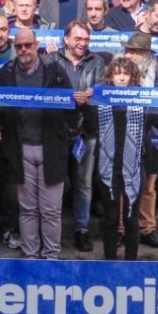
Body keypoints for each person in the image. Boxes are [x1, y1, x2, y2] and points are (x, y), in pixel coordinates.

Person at [0, 27, 75, 260]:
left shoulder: (55, 70)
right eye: (19, 46)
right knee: (27, 209)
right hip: (20, 149)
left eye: (28, 45)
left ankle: (51, 257)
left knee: (50, 210)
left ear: (36, 45)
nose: (24, 50)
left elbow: (70, 107)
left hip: (50, 148)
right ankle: (30, 256)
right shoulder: (5, 74)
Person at [92, 57, 158, 260]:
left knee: (131, 218)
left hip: (134, 167)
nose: (121, 77)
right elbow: (88, 125)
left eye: (126, 73)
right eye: (117, 73)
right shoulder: (100, 100)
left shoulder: (142, 102)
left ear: (132, 77)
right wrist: (86, 101)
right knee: (111, 219)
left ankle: (131, 264)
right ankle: (110, 263)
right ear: (111, 76)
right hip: (107, 167)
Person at [50, 20, 109, 253]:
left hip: (86, 130)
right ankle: (51, 230)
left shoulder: (97, 62)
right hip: (57, 130)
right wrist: (68, 98)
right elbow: (47, 93)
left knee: (83, 184)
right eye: (78, 39)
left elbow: (102, 91)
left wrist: (92, 96)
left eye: (86, 39)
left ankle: (82, 230)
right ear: (66, 39)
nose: (82, 43)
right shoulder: (52, 60)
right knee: (55, 182)